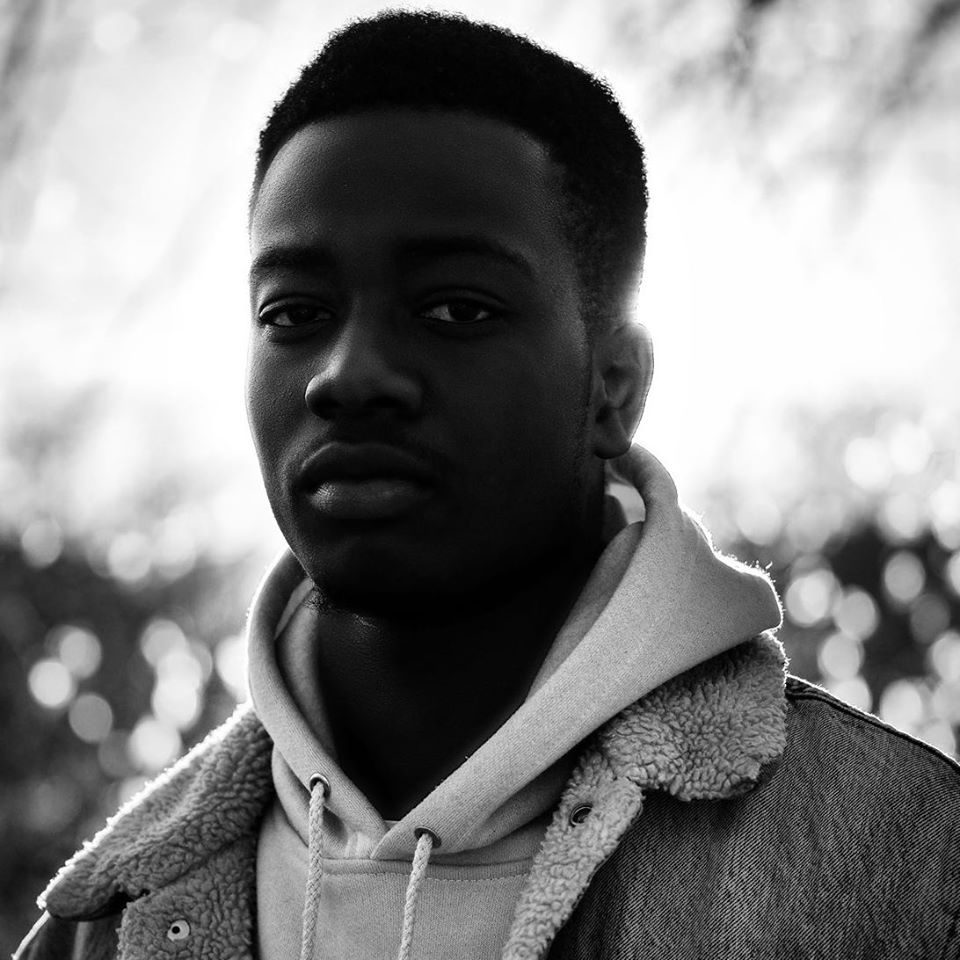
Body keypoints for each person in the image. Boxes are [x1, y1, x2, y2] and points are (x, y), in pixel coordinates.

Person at [16, 10, 960, 960]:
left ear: (614, 387)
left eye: (456, 309)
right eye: (294, 312)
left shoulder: (908, 866)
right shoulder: (100, 925)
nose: (347, 375)